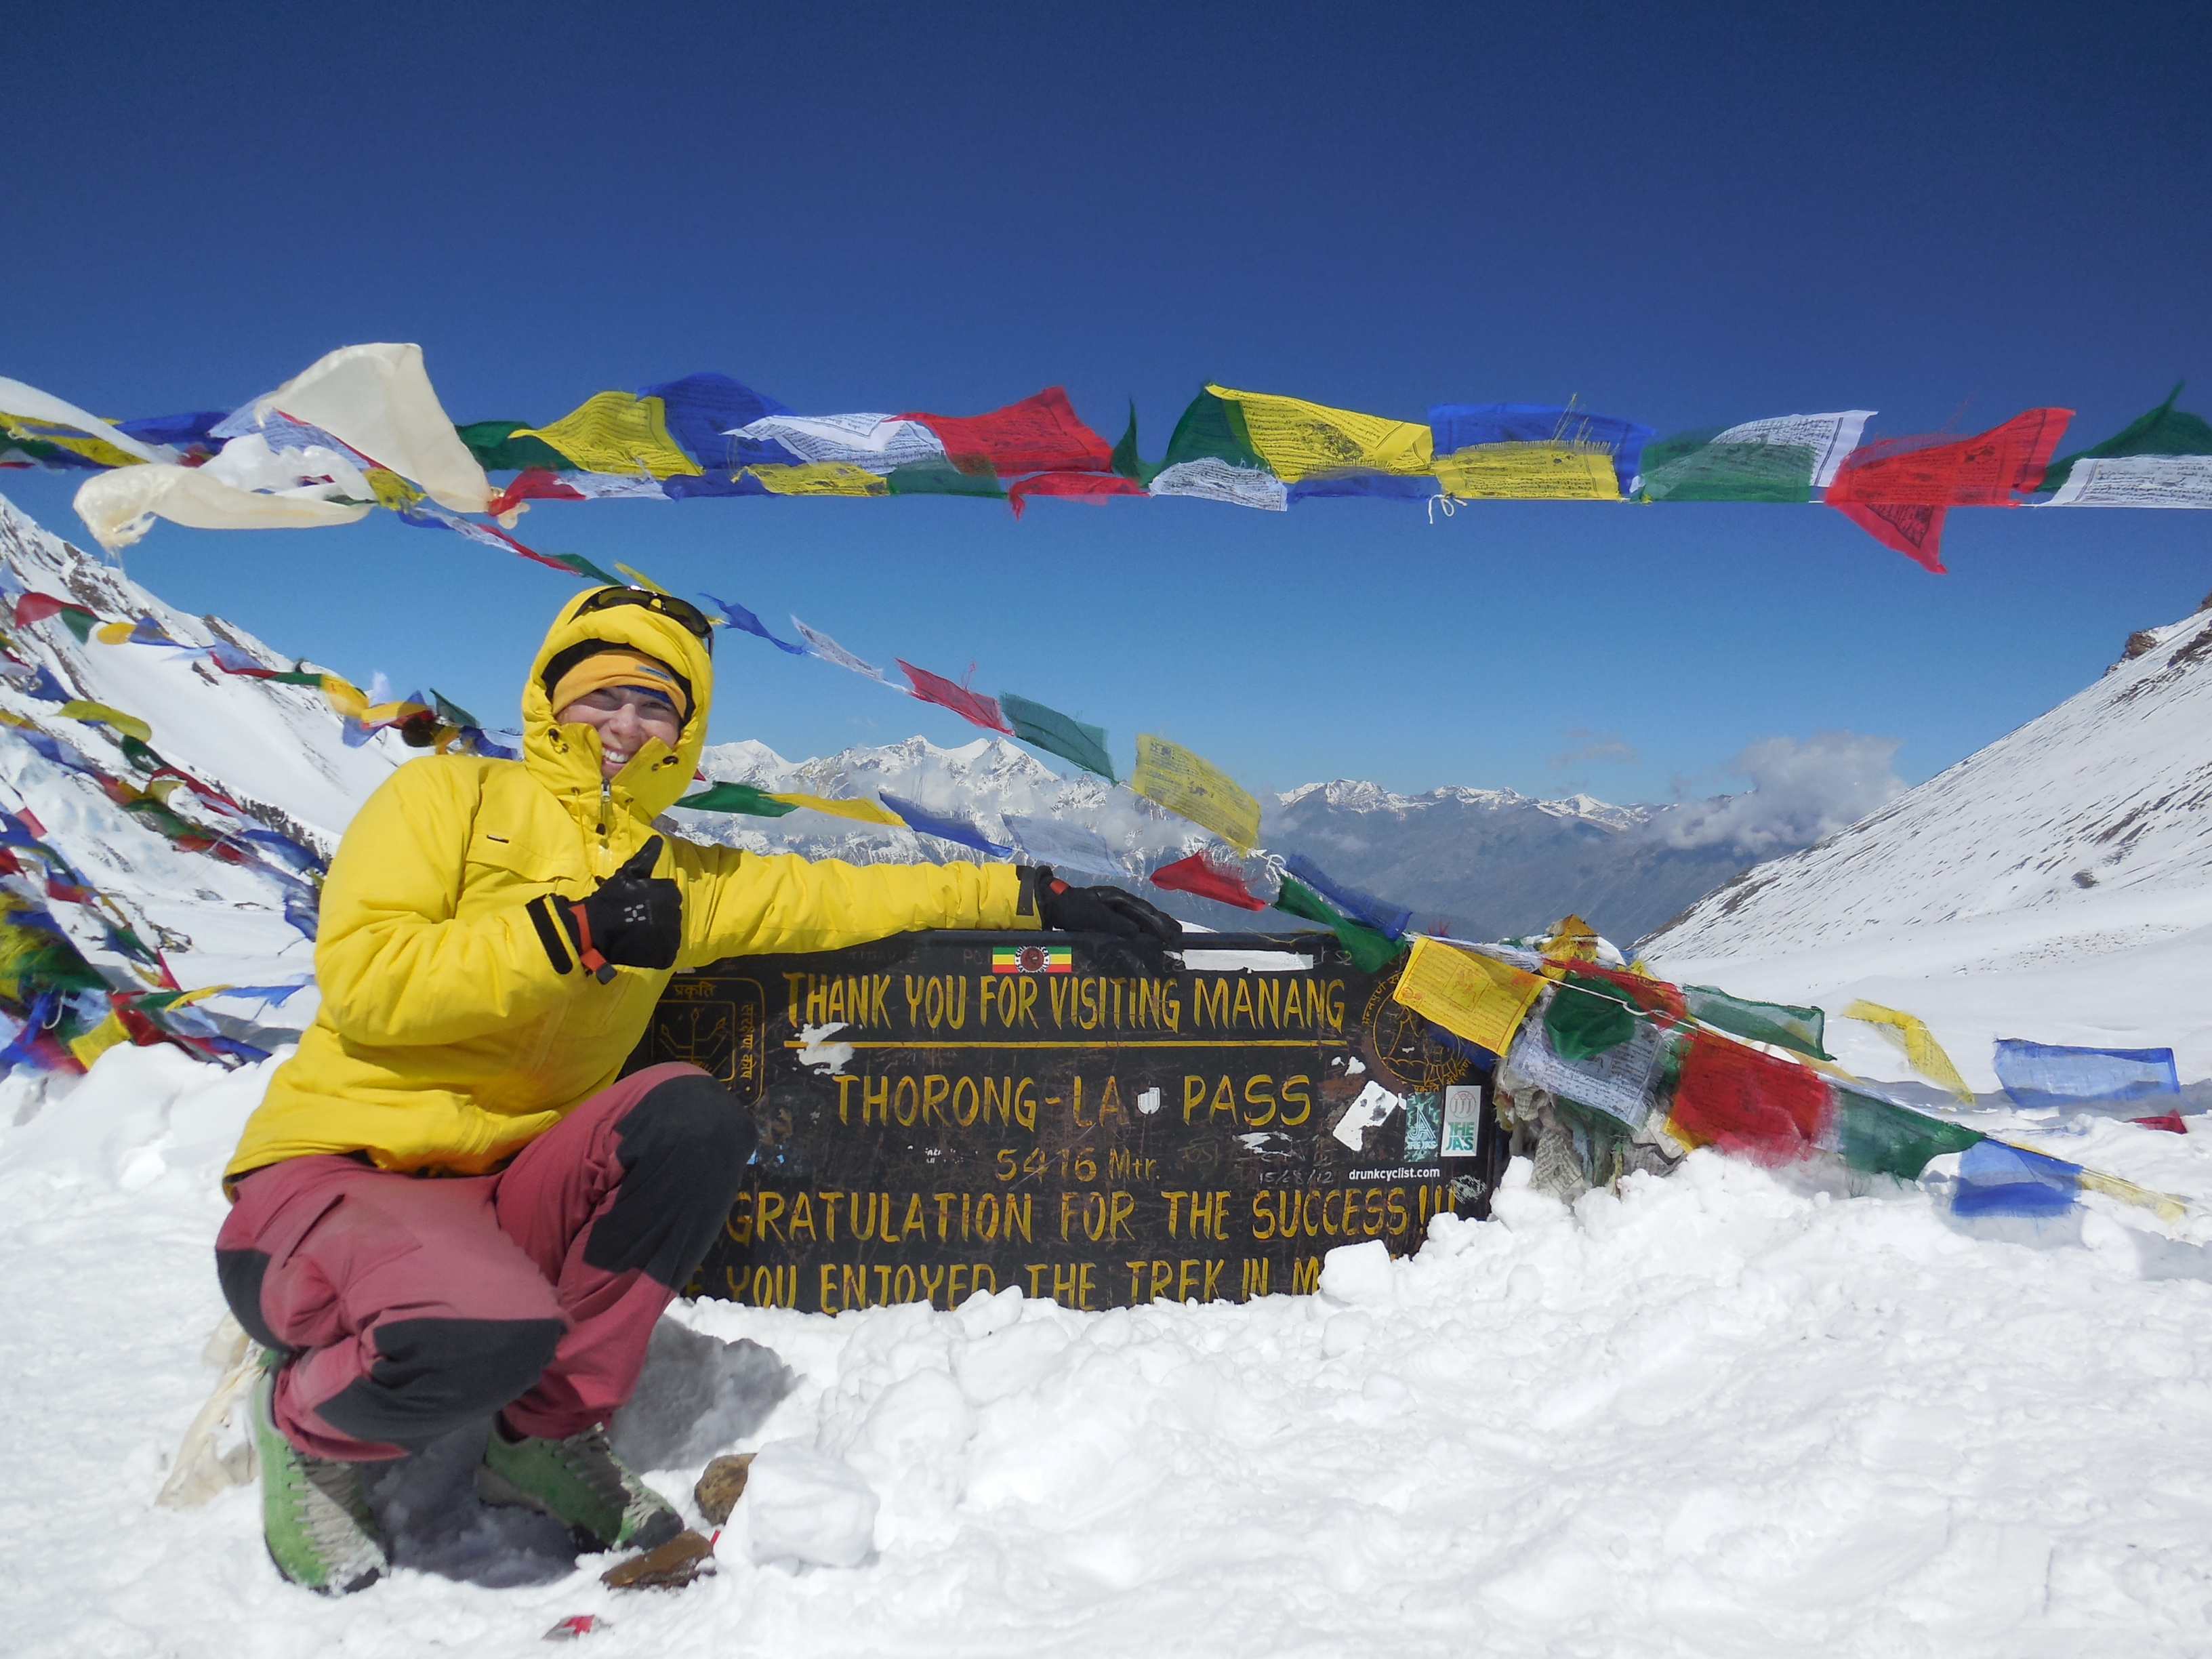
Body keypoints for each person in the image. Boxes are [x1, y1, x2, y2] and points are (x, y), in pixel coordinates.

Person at [213, 587, 1178, 1594]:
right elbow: (369, 984)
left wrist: (1032, 895)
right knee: (475, 1335)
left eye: (657, 706)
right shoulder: (446, 799)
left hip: (510, 1194)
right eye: (603, 697)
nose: (628, 725)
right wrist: (570, 932)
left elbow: (837, 895)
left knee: (689, 1116)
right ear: (552, 702)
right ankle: (305, 1424)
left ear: (686, 730)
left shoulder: (675, 879)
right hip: (344, 1181)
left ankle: (545, 1431)